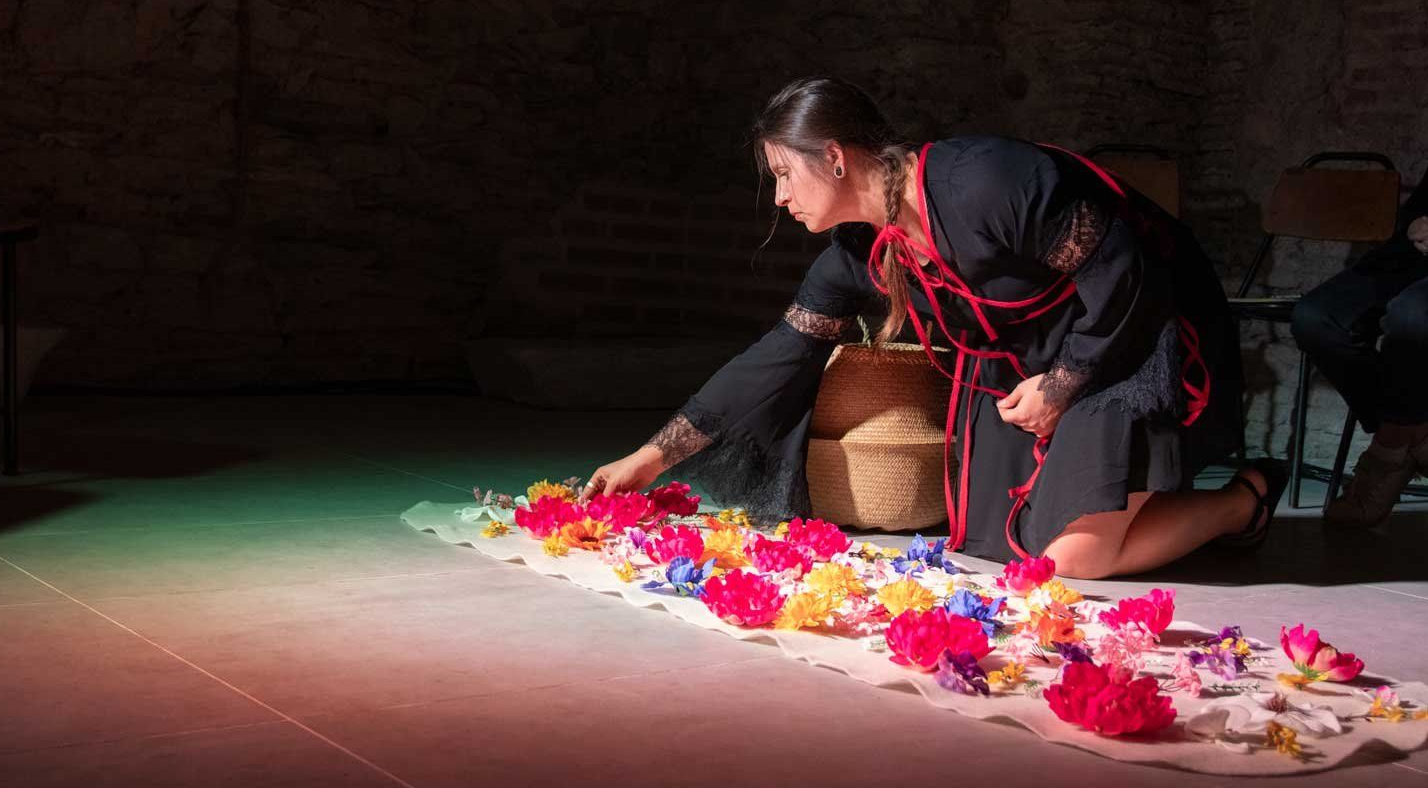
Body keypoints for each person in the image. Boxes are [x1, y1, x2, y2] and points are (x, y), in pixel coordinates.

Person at [582, 77, 1277, 579]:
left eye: (783, 174)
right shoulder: (860, 253)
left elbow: (1121, 265)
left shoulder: (985, 182)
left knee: (1073, 563)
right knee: (1004, 549)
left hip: (1123, 338)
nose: (781, 197)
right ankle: (1142, 497)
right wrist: (648, 460)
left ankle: (1240, 503)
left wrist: (1063, 387)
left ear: (834, 156)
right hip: (1025, 372)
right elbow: (779, 356)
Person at [1293, 169, 1428, 527]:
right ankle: (1415, 434)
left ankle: (1390, 447)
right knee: (1315, 318)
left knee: (1411, 318)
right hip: (1413, 253)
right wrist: (1415, 224)